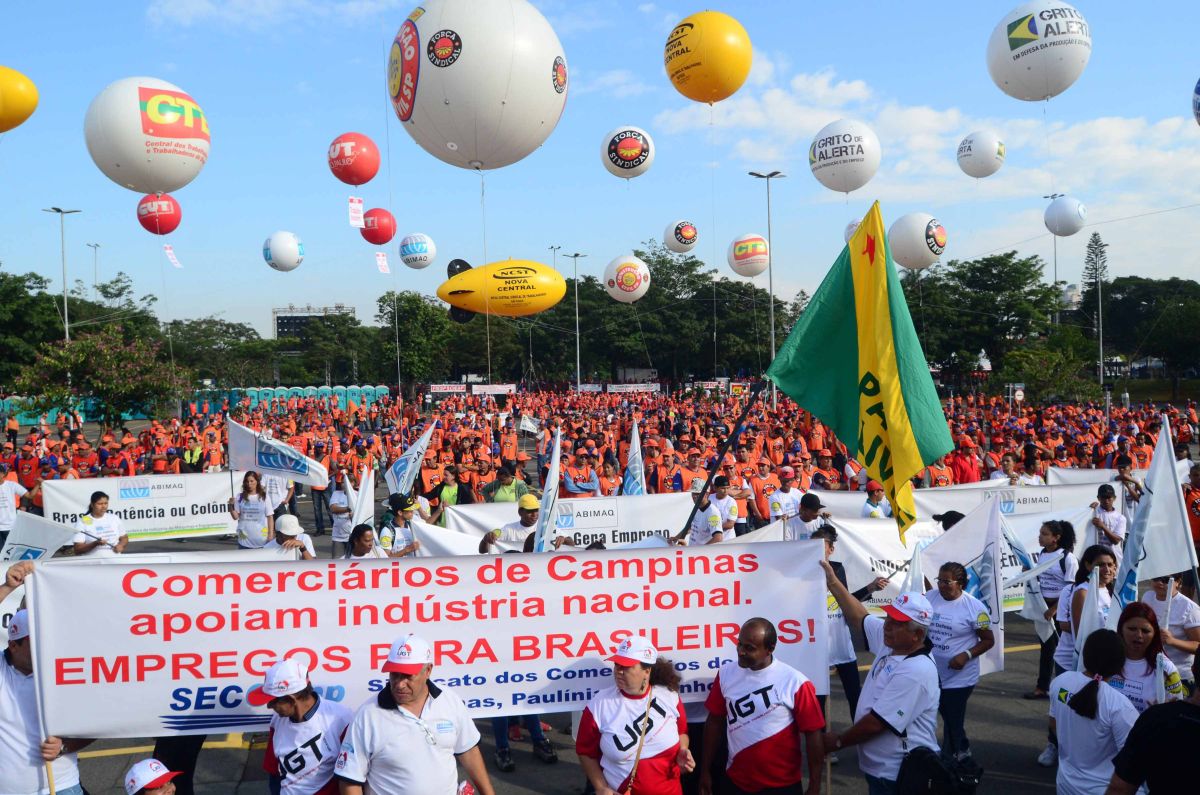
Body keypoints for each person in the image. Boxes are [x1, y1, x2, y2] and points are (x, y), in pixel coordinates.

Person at [822, 566, 939, 795]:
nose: (887, 625)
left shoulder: (916, 670)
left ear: (917, 635)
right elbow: (858, 617)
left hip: (898, 775)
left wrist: (837, 742)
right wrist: (833, 581)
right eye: (889, 617)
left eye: (898, 622)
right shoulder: (892, 641)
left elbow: (876, 724)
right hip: (881, 770)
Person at [334, 633, 496, 795]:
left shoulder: (449, 700)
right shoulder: (367, 716)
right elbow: (350, 780)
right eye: (394, 675)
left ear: (428, 670)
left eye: (407, 676)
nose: (399, 684)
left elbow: (469, 752)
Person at [700, 618, 824, 795]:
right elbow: (714, 723)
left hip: (782, 787)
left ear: (770, 649)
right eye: (739, 644)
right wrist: (705, 771)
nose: (741, 652)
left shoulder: (795, 682)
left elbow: (813, 736)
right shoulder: (726, 673)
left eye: (749, 648)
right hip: (735, 783)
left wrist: (814, 785)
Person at [2, 574, 96, 795]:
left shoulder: (67, 670)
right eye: (34, 640)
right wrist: (7, 587)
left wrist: (64, 747)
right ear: (13, 645)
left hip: (62, 786)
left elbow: (96, 725)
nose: (45, 645)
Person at [577, 636, 694, 795]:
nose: (618, 670)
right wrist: (601, 787)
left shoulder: (669, 697)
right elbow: (585, 752)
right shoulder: (599, 704)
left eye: (626, 666)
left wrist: (683, 749)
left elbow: (682, 732)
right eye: (617, 664)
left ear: (646, 671)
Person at [810, 526, 888, 755]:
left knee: (857, 696)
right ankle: (825, 748)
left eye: (821, 546)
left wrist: (870, 588)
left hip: (842, 646)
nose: (816, 551)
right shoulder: (802, 571)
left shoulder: (837, 569)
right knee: (819, 703)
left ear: (831, 549)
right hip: (817, 650)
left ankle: (861, 740)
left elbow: (847, 601)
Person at [1047, 629, 1138, 795]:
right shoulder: (1119, 706)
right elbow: (1132, 761)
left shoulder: (1060, 683)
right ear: (1120, 665)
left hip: (1065, 784)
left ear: (1084, 654)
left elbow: (1053, 724)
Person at [924, 562, 995, 761]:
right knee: (948, 716)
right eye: (939, 581)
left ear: (961, 584)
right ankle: (961, 747)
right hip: (933, 672)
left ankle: (952, 762)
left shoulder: (975, 608)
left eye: (947, 582)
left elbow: (988, 640)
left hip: (960, 677)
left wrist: (966, 655)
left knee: (952, 719)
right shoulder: (930, 598)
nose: (941, 586)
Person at [249, 657, 352, 795]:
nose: (269, 706)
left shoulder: (341, 720)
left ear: (291, 699)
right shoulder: (277, 720)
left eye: (273, 701)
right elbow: (274, 772)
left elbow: (354, 776)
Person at [1106, 658, 1200, 793]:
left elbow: (1119, 788)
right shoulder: (1156, 717)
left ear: (1193, 670)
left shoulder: (1155, 718)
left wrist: (1160, 715)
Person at [1025, 520, 1078, 700]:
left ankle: (1065, 688)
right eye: (1040, 533)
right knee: (1047, 648)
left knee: (1062, 651)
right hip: (1043, 607)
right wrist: (1030, 573)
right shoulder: (1042, 554)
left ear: (1056, 538)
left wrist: (1055, 609)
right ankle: (1043, 687)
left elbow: (1071, 589)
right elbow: (1042, 579)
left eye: (1045, 534)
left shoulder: (1068, 558)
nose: (1040, 537)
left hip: (1061, 610)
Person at [1108, 602, 1184, 712]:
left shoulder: (1166, 669)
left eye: (1145, 631)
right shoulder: (1107, 659)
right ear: (1121, 629)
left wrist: (1161, 712)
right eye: (1132, 629)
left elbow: (1177, 712)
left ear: (1154, 634)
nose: (1139, 635)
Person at [1141, 573, 1200, 693]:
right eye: (1156, 578)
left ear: (1178, 582)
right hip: (1151, 670)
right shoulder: (1147, 596)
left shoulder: (1189, 608)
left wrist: (1172, 641)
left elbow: (1198, 645)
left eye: (1165, 580)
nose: (1159, 583)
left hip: (1178, 675)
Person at [479, 493, 568, 553]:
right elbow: (482, 551)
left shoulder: (546, 528)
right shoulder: (509, 529)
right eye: (530, 511)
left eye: (536, 510)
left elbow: (572, 543)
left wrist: (563, 539)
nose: (534, 514)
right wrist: (485, 539)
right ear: (520, 512)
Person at [71, 489, 129, 557]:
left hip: (115, 561)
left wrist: (121, 545)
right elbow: (77, 549)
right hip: (94, 563)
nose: (103, 506)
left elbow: (124, 537)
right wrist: (95, 543)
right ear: (92, 505)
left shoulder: (114, 518)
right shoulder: (83, 521)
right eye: (100, 504)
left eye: (105, 503)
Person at [228, 471, 275, 550]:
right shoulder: (240, 496)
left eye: (251, 481)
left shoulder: (264, 497)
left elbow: (270, 517)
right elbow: (235, 517)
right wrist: (230, 505)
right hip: (244, 540)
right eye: (247, 481)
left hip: (262, 540)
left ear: (257, 482)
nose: (249, 484)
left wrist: (270, 534)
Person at [678, 478, 724, 546]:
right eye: (693, 493)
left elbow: (718, 538)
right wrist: (676, 538)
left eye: (697, 494)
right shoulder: (697, 507)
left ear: (707, 494)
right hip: (695, 552)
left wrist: (701, 550)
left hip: (703, 554)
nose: (694, 496)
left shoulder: (712, 513)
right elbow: (691, 526)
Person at [1090, 484, 1126, 564]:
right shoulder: (1093, 511)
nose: (1106, 500)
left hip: (1114, 558)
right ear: (1098, 498)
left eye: (1109, 497)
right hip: (1096, 557)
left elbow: (1116, 540)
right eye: (1103, 497)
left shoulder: (1120, 518)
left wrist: (1103, 526)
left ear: (1114, 498)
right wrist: (1089, 509)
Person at [328, 478, 353, 559]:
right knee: (337, 562)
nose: (343, 484)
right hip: (337, 536)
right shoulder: (336, 494)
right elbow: (333, 509)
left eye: (346, 482)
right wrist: (348, 509)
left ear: (353, 483)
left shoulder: (358, 495)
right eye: (342, 482)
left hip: (352, 537)